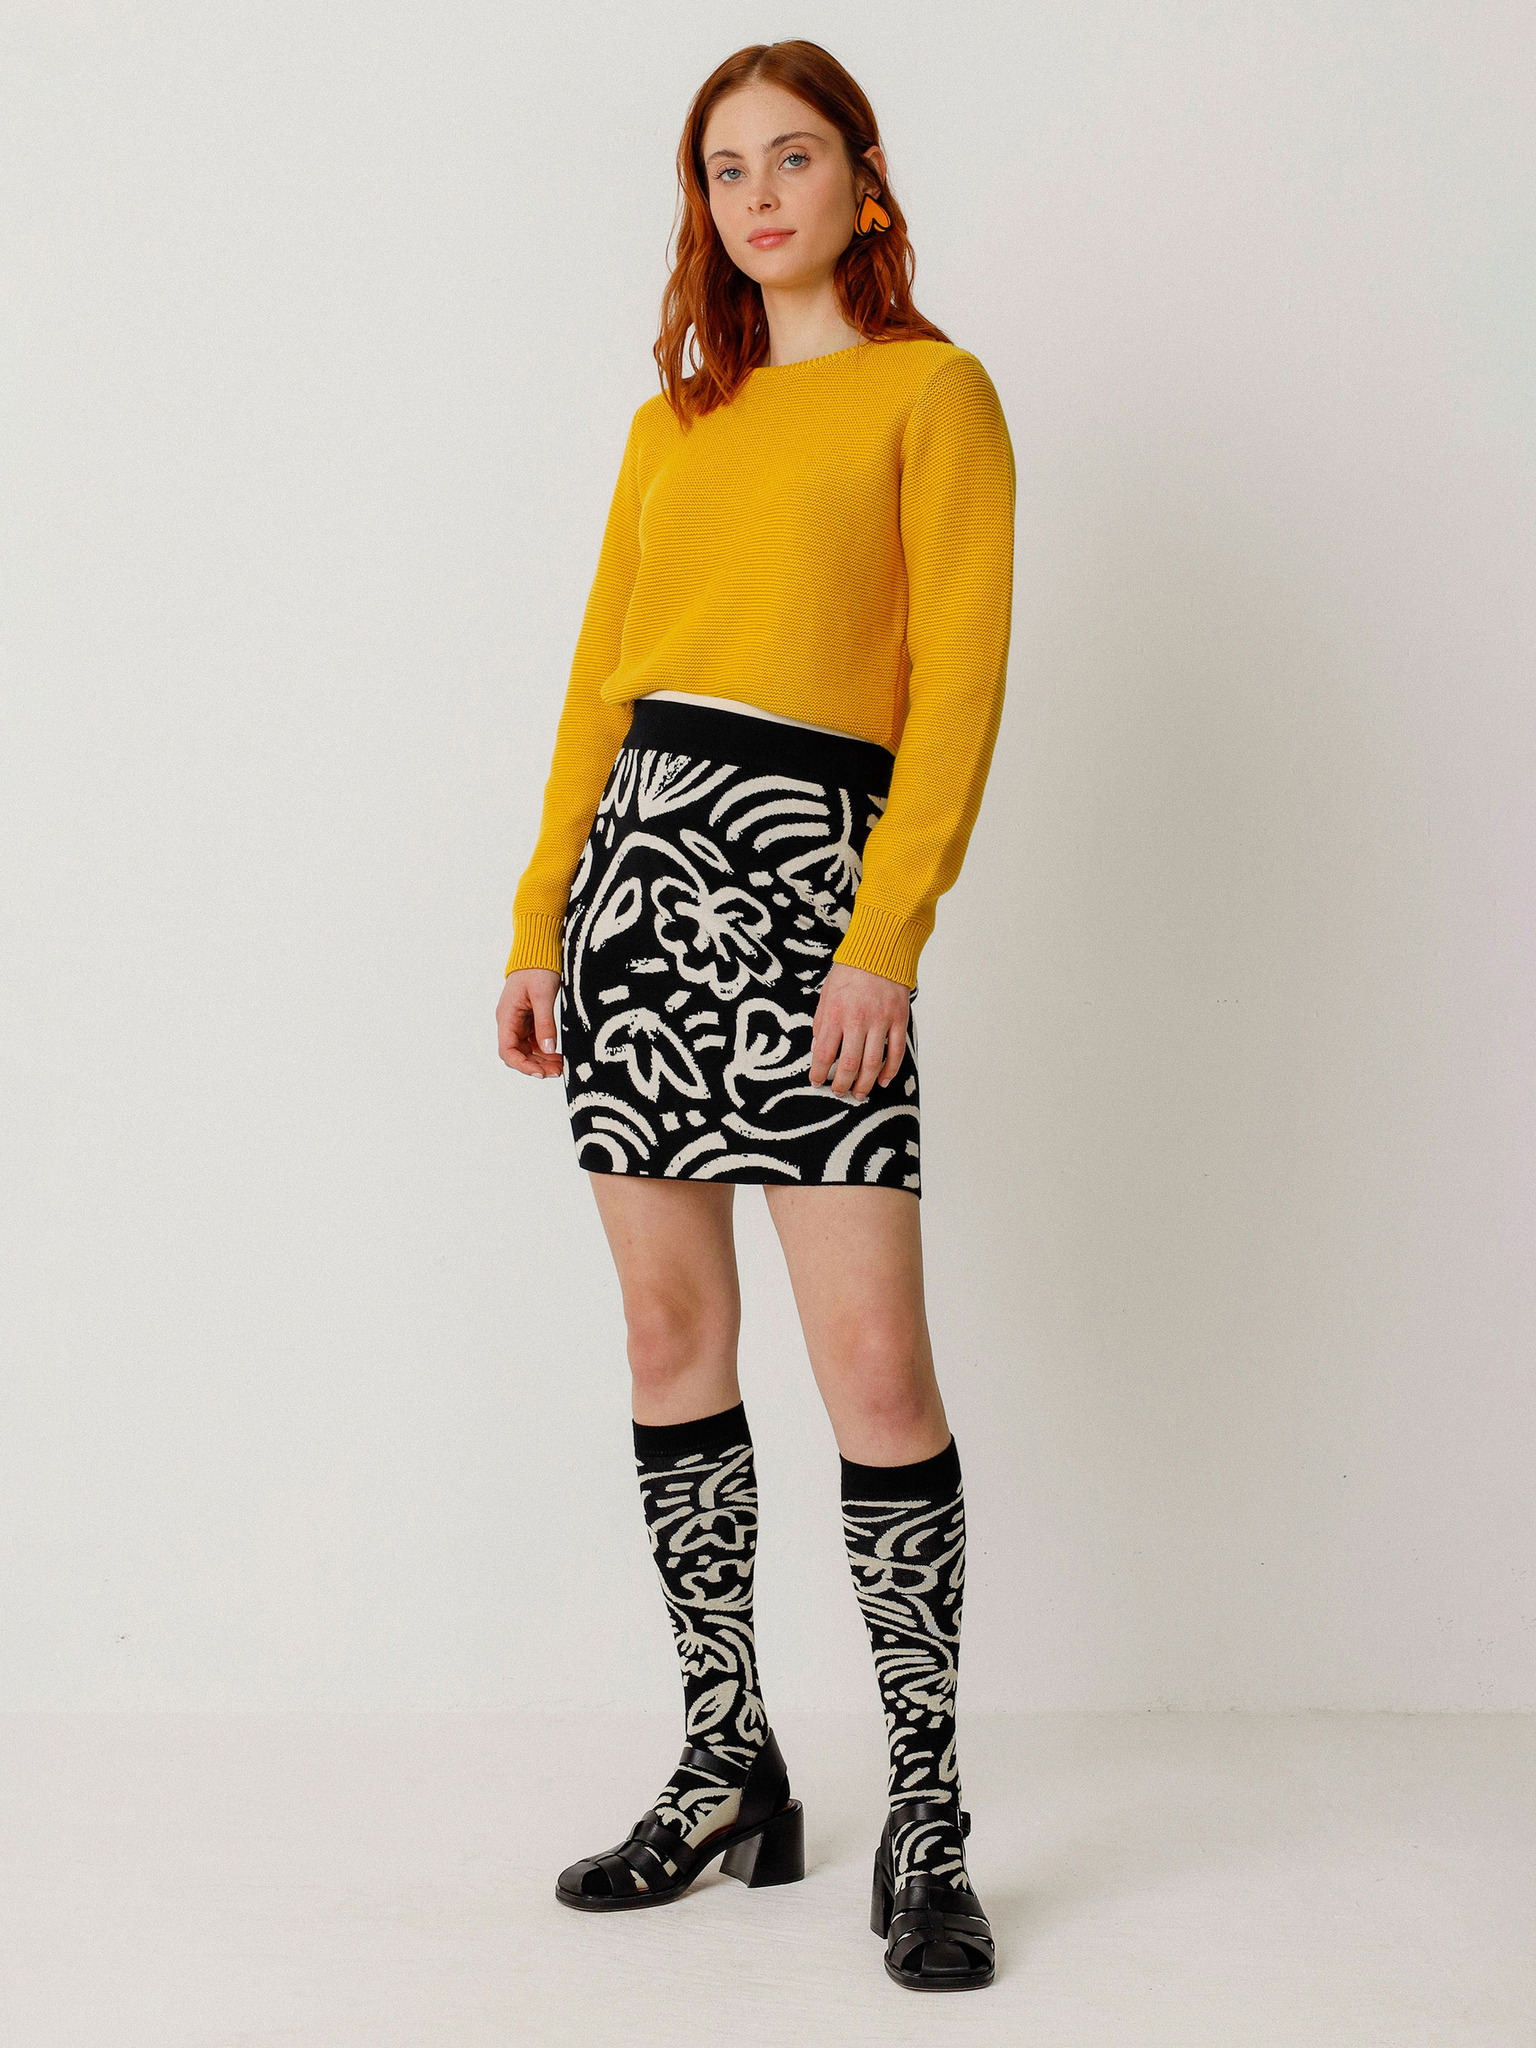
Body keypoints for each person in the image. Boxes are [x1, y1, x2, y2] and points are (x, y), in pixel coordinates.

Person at [496, 39, 1014, 1993]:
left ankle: (929, 1813)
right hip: (640, 888)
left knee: (873, 1366)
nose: (759, 196)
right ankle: (730, 1761)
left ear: (862, 181)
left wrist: (888, 937)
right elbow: (599, 688)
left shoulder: (933, 396)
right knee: (666, 1334)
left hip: (816, 899)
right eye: (726, 170)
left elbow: (957, 685)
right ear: (702, 206)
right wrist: (541, 916)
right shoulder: (674, 425)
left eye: (793, 158)